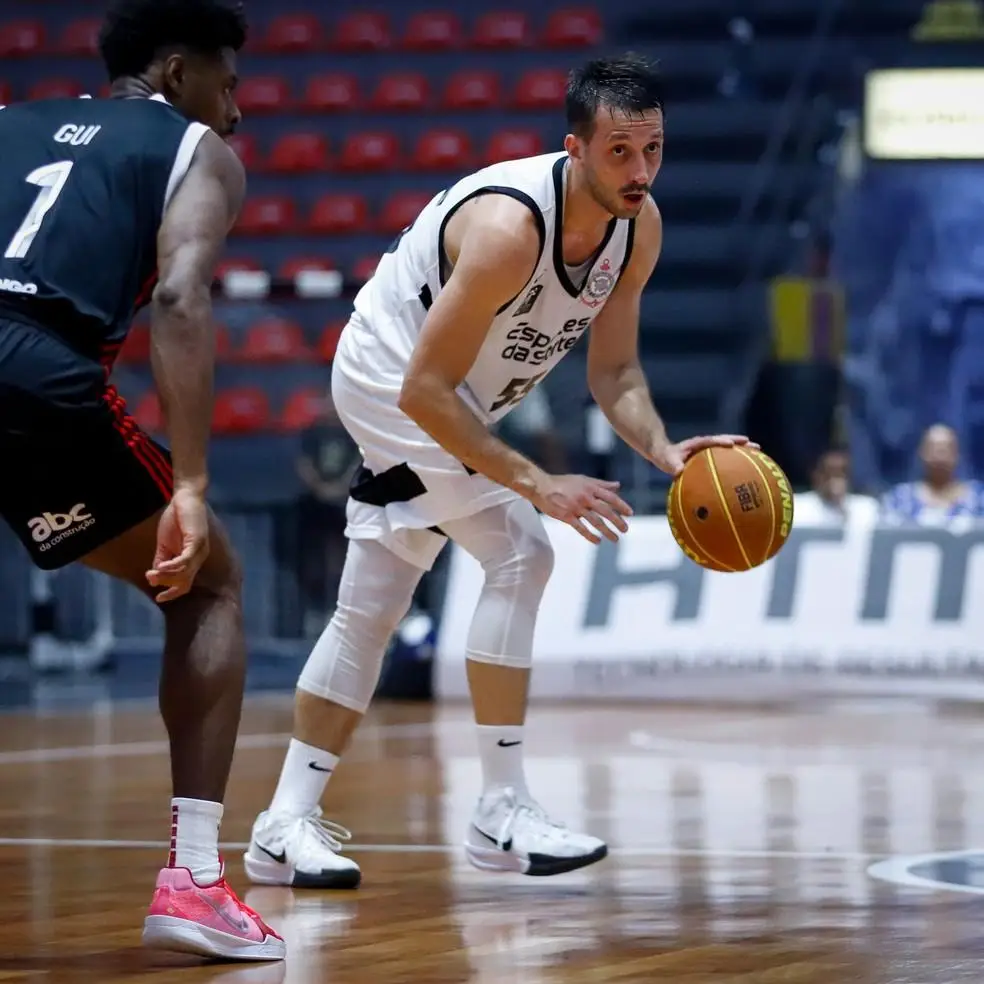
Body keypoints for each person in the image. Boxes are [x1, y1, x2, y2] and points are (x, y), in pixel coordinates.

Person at [244, 53, 751, 888]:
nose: (640, 170)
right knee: (522, 548)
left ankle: (281, 824)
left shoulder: (639, 227)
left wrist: (663, 450)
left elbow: (614, 373)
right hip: (390, 378)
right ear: (575, 148)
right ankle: (500, 810)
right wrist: (536, 482)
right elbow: (423, 389)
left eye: (653, 149)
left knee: (371, 607)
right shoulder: (510, 229)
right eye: (620, 151)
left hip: (461, 402)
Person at [0, 0, 284, 962]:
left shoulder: (9, 122)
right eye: (227, 84)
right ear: (174, 74)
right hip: (37, 367)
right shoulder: (195, 152)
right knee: (208, 583)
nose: (235, 112)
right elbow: (178, 295)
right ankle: (195, 881)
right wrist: (193, 483)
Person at [880, 423, 984, 527]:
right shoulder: (899, 499)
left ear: (957, 454)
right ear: (921, 453)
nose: (939, 455)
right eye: (933, 448)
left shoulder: (978, 499)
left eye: (945, 449)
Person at [793, 447, 878, 527]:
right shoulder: (798, 507)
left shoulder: (866, 508)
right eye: (829, 474)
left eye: (840, 474)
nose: (835, 480)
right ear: (816, 476)